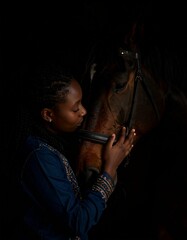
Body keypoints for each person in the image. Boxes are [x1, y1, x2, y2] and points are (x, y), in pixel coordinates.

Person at [14, 66, 136, 240]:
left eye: (82, 104)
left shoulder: (55, 143)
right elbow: (78, 222)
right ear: (48, 114)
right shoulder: (39, 157)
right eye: (75, 108)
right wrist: (109, 170)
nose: (84, 112)